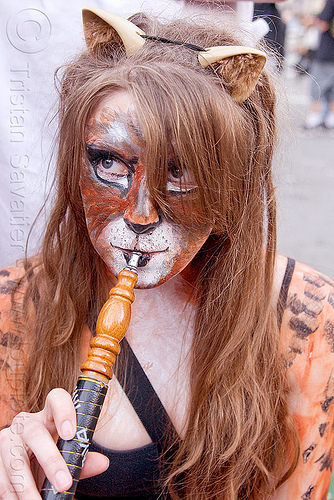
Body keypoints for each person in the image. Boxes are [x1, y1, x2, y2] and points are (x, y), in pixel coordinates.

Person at [0, 7, 334, 500]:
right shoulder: (14, 305)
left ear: (233, 187)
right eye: (109, 162)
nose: (140, 214)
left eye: (180, 172)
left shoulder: (306, 319)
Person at [304, 0, 334, 129]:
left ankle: (314, 116)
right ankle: (330, 117)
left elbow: (323, 23)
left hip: (327, 50)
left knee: (318, 84)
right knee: (332, 87)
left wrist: (312, 21)